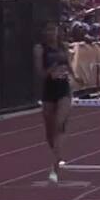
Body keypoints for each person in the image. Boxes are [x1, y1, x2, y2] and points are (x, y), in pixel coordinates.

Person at [35, 21, 75, 182]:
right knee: (50, 130)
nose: (51, 33)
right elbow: (40, 73)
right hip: (48, 89)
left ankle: (55, 165)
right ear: (45, 32)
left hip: (64, 88)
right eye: (49, 30)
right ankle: (56, 154)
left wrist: (76, 76)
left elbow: (69, 65)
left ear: (58, 32)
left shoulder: (63, 47)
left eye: (54, 30)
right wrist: (50, 70)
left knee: (59, 123)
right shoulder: (39, 49)